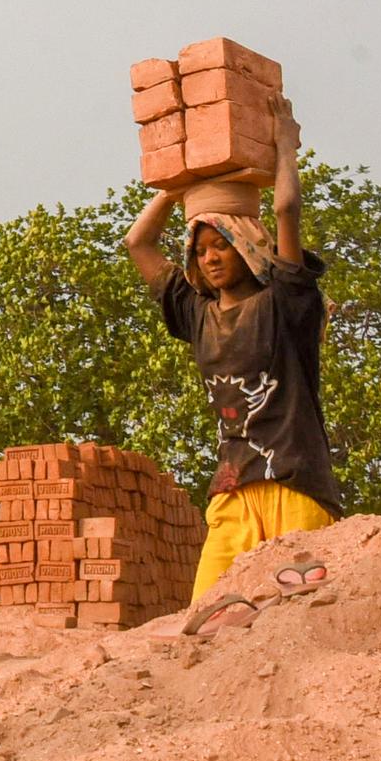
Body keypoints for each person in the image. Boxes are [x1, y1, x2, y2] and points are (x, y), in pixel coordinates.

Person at [122, 100, 340, 600]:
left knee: (303, 606)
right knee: (209, 611)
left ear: (244, 244)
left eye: (220, 245)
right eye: (199, 251)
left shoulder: (284, 304)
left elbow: (285, 210)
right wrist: (178, 183)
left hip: (294, 485)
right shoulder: (196, 314)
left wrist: (284, 144)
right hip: (232, 488)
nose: (210, 258)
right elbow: (138, 243)